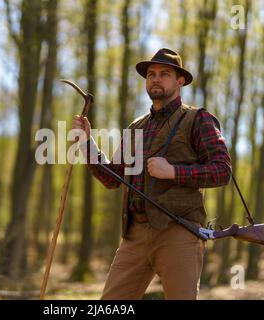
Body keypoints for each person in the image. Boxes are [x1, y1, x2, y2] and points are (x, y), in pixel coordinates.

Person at [72, 48, 232, 300]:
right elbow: (114, 178)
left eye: (164, 74)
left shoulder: (198, 119)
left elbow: (222, 171)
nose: (156, 79)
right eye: (151, 74)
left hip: (178, 232)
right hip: (134, 235)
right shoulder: (137, 126)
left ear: (179, 81)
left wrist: (173, 172)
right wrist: (86, 143)